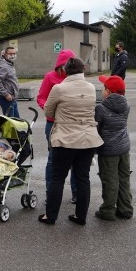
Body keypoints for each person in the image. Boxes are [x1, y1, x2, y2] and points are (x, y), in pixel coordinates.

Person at [38, 57, 103, 226]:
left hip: (65, 138)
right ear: (83, 70)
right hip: (87, 138)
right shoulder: (90, 87)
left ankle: (50, 216)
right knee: (83, 178)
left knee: (58, 177)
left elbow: (48, 112)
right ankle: (80, 216)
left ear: (66, 70)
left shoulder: (59, 88)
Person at [36, 49, 79, 203]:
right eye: (66, 66)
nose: (68, 69)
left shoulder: (75, 78)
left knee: (75, 160)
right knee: (53, 159)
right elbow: (41, 98)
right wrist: (49, 109)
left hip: (71, 123)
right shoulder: (50, 77)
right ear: (60, 65)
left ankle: (76, 192)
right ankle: (51, 193)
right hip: (53, 123)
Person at [94, 75, 133, 220]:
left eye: (104, 88)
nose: (102, 91)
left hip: (108, 150)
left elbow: (96, 130)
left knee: (109, 179)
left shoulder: (101, 108)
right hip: (124, 147)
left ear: (108, 92)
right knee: (124, 178)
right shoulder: (126, 105)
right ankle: (126, 209)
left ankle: (107, 210)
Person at [0, 46, 19, 118]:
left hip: (12, 98)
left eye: (14, 53)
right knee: (10, 122)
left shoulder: (9, 64)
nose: (13, 55)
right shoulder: (5, 67)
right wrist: (6, 94)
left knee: (16, 121)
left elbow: (0, 62)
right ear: (6, 54)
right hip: (6, 98)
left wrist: (1, 57)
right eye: (10, 54)